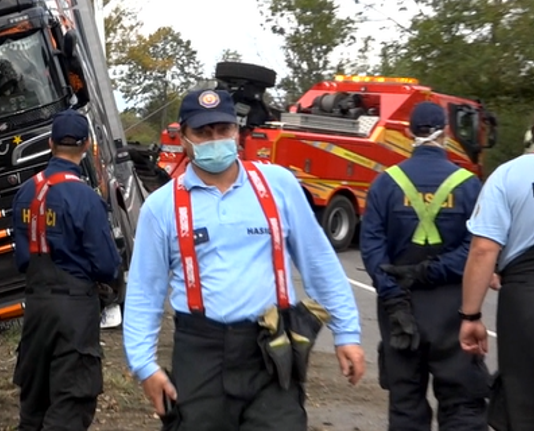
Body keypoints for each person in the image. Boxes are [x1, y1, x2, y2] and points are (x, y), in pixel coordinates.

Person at [122, 88, 365, 431]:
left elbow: (319, 262)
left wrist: (348, 333)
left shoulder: (277, 185)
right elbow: (144, 292)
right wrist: (144, 365)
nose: (215, 139)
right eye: (203, 133)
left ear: (237, 132)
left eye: (223, 130)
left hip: (270, 349)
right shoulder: (161, 207)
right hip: (200, 353)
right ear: (184, 137)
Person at [359, 101, 489, 430]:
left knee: (405, 405)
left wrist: (392, 295)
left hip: (399, 311)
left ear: (408, 133)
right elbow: (476, 249)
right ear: (446, 133)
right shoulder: (468, 184)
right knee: (462, 405)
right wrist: (432, 270)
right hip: (454, 309)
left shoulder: (385, 184)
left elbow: (372, 247)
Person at [10, 108, 122, 431]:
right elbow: (106, 264)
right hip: (74, 310)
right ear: (86, 145)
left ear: (50, 143)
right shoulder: (86, 198)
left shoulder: (24, 194)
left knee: (33, 408)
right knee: (70, 405)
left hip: (37, 309)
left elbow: (22, 259)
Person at [459, 151, 534, 431]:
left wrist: (470, 316)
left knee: (523, 401)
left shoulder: (509, 175)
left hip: (525, 299)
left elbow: (483, 250)